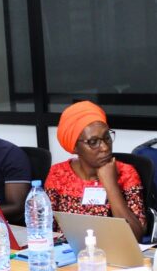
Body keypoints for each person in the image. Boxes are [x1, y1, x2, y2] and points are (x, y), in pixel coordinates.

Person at [45, 101, 146, 241]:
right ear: (74, 147)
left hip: (112, 251)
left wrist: (111, 186)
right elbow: (45, 229)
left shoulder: (126, 173)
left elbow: (135, 236)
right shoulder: (58, 174)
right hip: (67, 251)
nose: (105, 147)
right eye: (93, 142)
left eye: (107, 137)